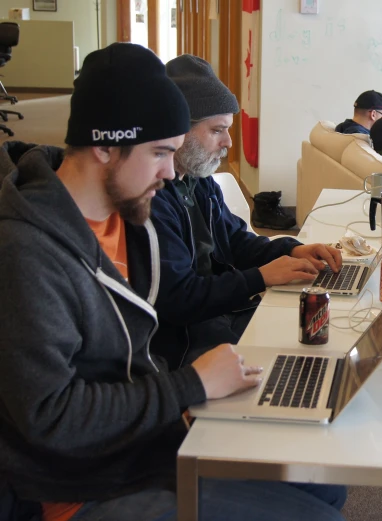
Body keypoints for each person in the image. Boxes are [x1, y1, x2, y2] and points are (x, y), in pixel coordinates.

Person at [0, 43, 346, 521]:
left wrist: (185, 396)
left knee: (323, 481)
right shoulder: (27, 251)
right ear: (104, 146)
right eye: (161, 152)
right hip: (79, 484)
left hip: (143, 434)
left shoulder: (129, 214)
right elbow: (52, 419)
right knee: (320, 516)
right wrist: (190, 386)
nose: (170, 172)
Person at [150, 54, 343, 369]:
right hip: (189, 338)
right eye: (217, 130)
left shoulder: (199, 180)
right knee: (294, 360)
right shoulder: (152, 198)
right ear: (179, 130)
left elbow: (236, 241)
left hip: (224, 311)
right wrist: (260, 277)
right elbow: (177, 298)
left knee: (318, 342)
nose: (228, 142)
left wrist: (294, 249)